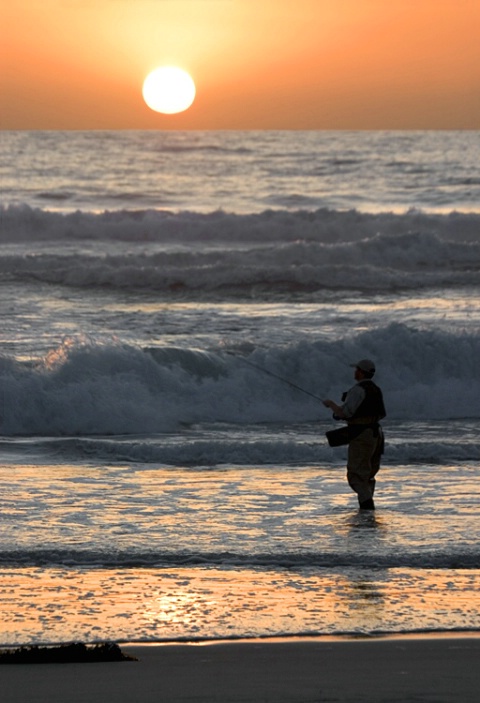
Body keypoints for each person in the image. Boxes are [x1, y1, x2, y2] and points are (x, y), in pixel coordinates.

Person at [323, 359, 386, 510]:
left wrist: (331, 404)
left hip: (362, 435)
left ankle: (367, 509)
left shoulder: (357, 390)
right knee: (368, 474)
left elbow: (345, 413)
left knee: (356, 476)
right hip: (377, 434)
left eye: (357, 369)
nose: (354, 372)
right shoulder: (376, 389)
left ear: (361, 372)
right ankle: (367, 512)